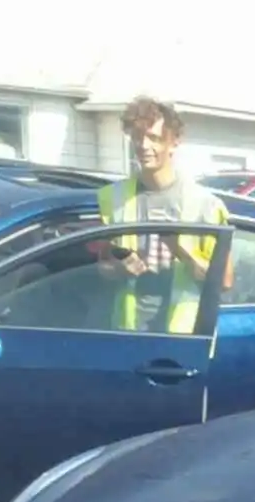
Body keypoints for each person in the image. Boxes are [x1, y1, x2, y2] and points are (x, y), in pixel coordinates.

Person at [96, 96, 229, 333]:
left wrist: (179, 249)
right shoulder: (113, 198)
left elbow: (224, 282)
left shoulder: (206, 205)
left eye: (154, 138)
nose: (143, 145)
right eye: (138, 137)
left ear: (174, 142)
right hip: (127, 332)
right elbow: (101, 268)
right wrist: (119, 269)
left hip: (183, 337)